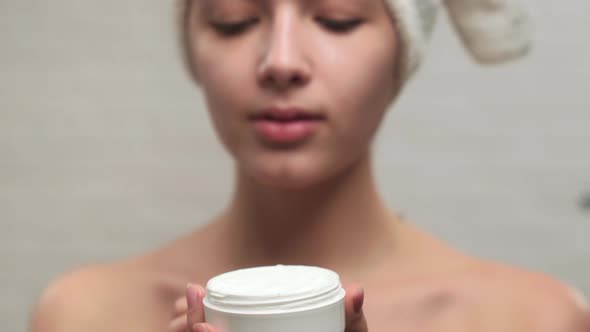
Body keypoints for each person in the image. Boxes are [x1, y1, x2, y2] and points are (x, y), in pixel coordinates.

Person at [30, 0, 590, 331]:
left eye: (337, 18)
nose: (280, 62)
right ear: (193, 48)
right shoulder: (81, 314)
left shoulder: (536, 318)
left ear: (401, 50)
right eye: (233, 19)